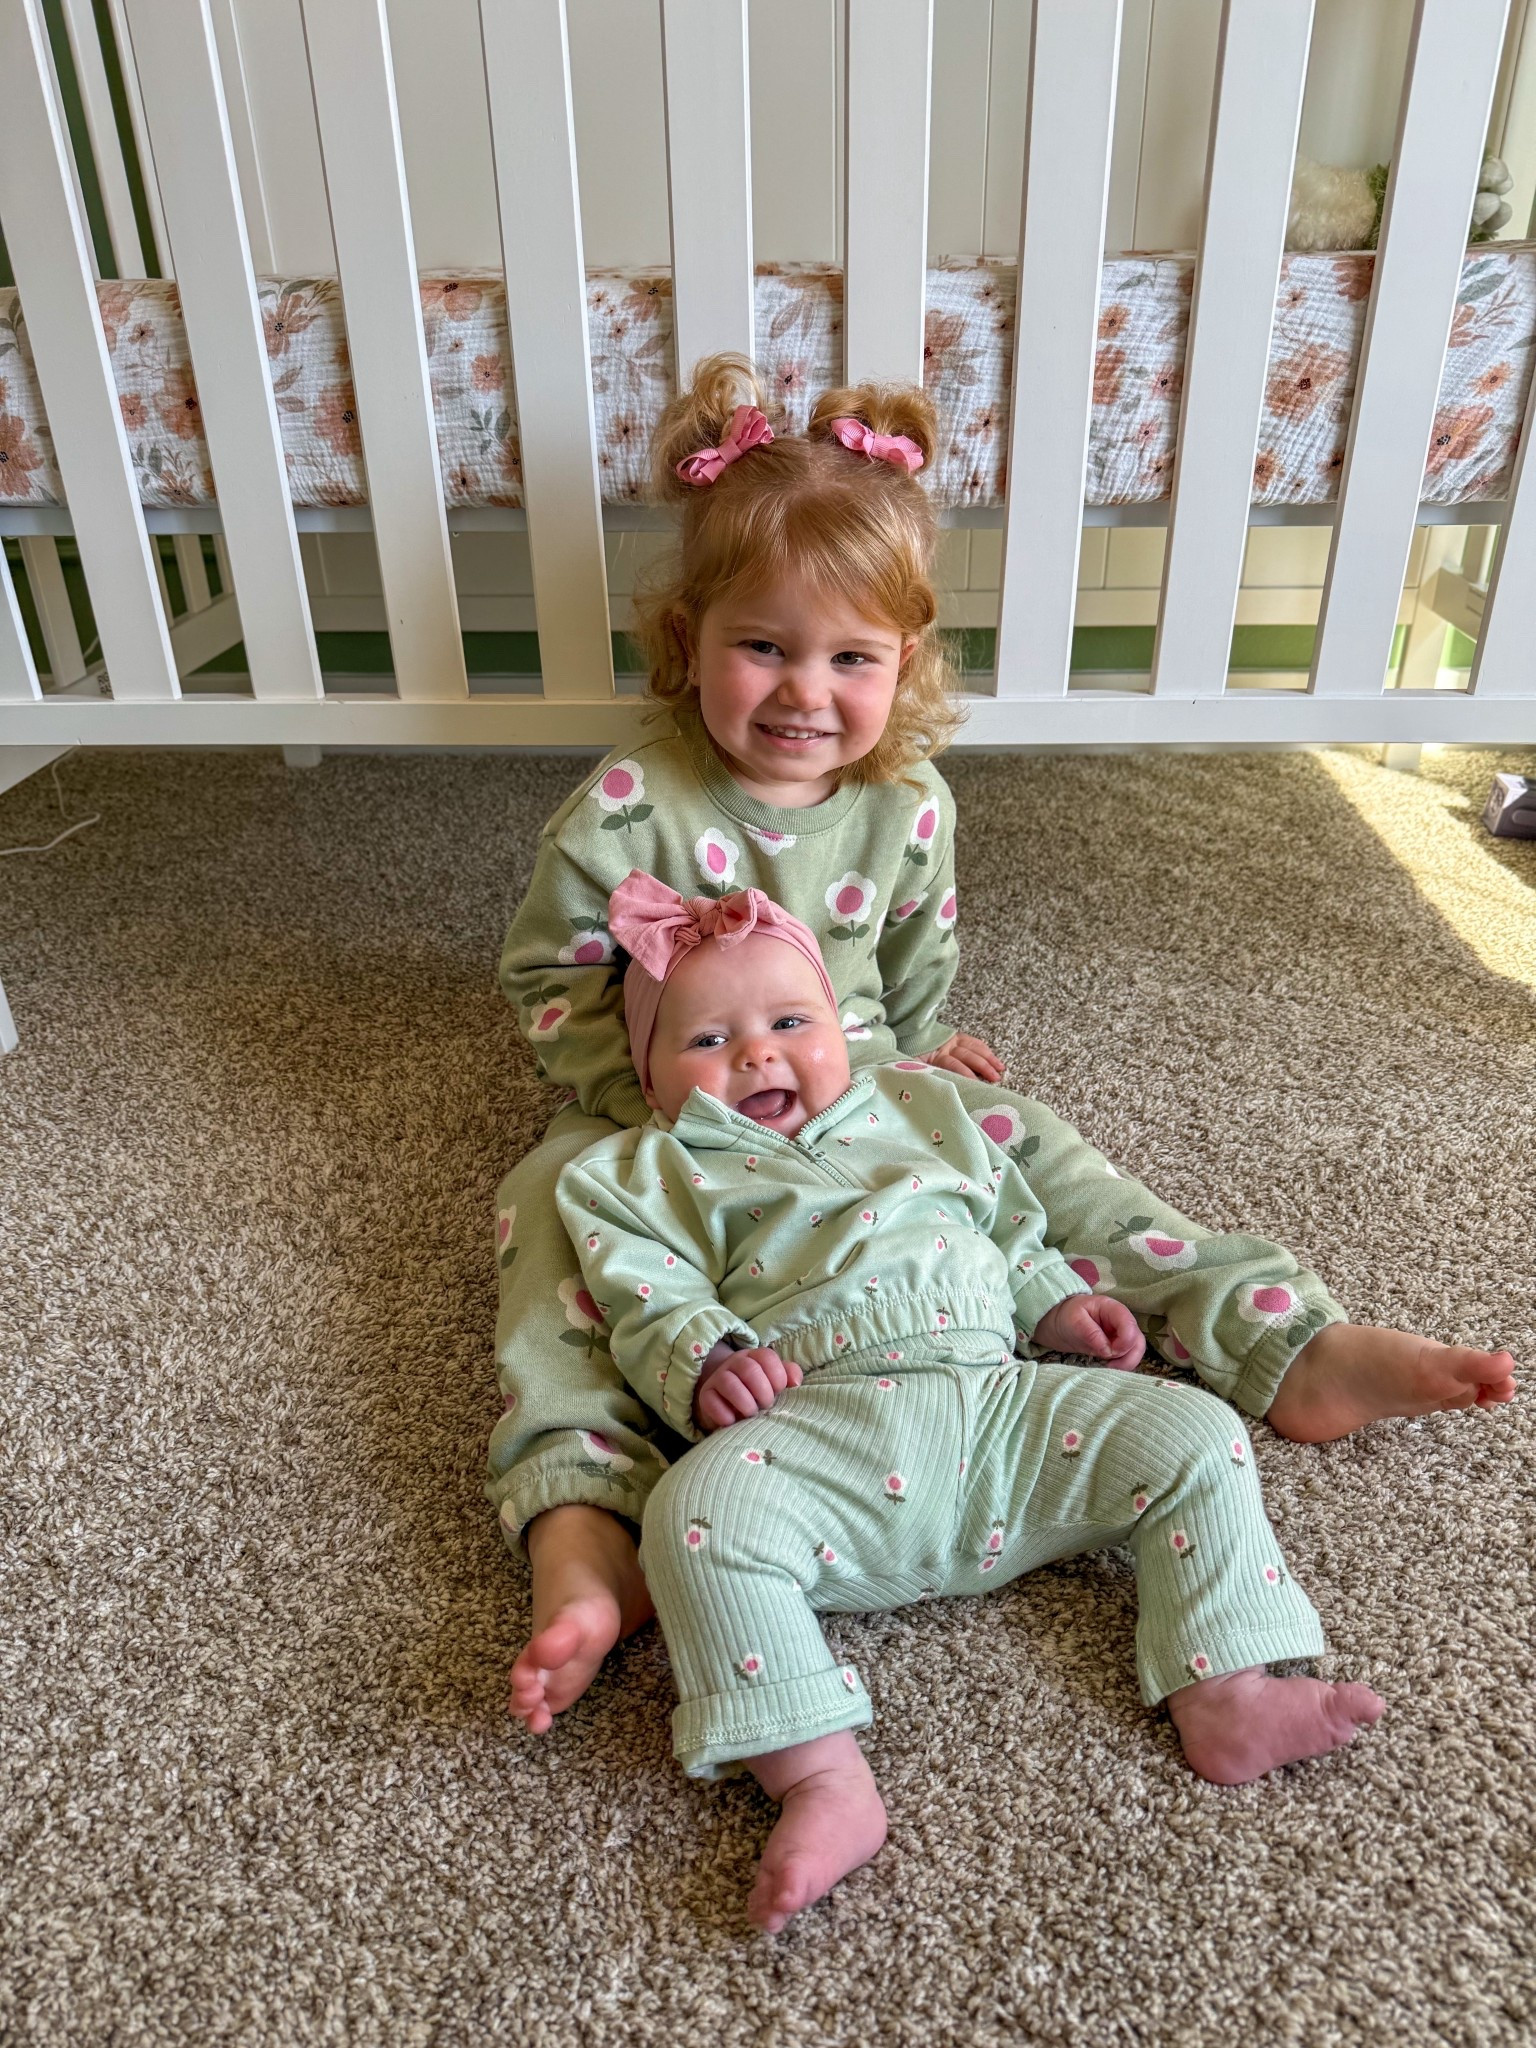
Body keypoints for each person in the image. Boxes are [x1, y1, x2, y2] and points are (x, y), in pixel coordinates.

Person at [491, 352, 1518, 1749]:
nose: (806, 691)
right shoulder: (625, 805)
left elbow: (913, 958)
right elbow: (550, 985)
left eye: (851, 658)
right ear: (687, 638)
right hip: (660, 1098)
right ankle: (583, 1526)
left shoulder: (907, 799)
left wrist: (911, 1052)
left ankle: (1282, 1342)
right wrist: (667, 1114)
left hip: (856, 1078)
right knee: (558, 1235)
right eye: (765, 647)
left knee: (1035, 1162)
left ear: (903, 663)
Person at [554, 872, 1387, 1931]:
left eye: (790, 1021)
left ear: (841, 1032)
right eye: (709, 1041)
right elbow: (645, 1293)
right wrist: (709, 1355)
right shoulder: (634, 1173)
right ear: (647, 1071)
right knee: (691, 1519)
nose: (759, 1052)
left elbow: (1008, 1224)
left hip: (1002, 1409)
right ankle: (819, 1776)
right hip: (820, 1435)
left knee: (1198, 1432)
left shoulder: (921, 1107)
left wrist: (1057, 1307)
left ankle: (1222, 1687)